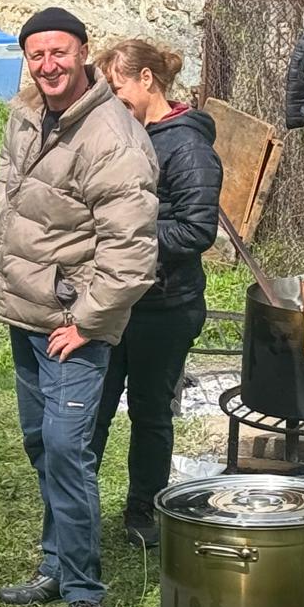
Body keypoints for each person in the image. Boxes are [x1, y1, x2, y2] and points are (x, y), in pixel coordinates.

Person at [0, 7, 158, 607]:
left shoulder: (112, 137)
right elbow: (10, 192)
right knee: (42, 444)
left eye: (59, 52)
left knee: (67, 449)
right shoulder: (27, 112)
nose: (48, 65)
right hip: (25, 309)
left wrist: (88, 320)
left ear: (84, 52)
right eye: (37, 55)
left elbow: (131, 250)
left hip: (70, 323)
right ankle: (55, 566)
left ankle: (85, 592)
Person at [88, 40, 222, 549]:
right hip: (115, 302)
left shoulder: (188, 147)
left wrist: (125, 236)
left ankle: (142, 512)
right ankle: (78, 514)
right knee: (92, 410)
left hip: (164, 307)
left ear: (147, 79)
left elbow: (196, 230)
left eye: (117, 86)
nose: (112, 98)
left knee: (149, 413)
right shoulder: (127, 133)